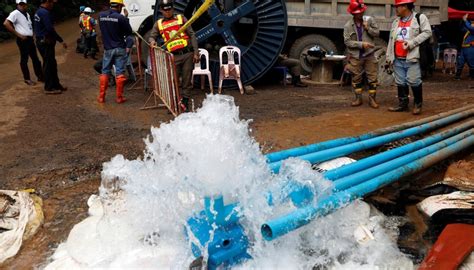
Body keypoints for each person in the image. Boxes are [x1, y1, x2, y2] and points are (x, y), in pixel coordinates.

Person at [148, 0, 200, 111]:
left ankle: (185, 103)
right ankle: (174, 103)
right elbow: (152, 36)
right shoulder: (158, 24)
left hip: (187, 54)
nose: (168, 12)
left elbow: (192, 34)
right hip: (173, 57)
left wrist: (196, 52)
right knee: (173, 80)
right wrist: (152, 41)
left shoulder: (181, 18)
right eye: (165, 10)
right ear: (161, 10)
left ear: (173, 9)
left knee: (186, 80)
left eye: (170, 9)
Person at [386, 0, 432, 115]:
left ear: (405, 6)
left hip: (412, 57)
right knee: (400, 81)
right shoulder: (396, 21)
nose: (395, 9)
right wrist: (389, 56)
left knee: (414, 81)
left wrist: (412, 43)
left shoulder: (419, 18)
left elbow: (427, 32)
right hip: (397, 58)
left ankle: (418, 104)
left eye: (397, 6)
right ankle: (403, 104)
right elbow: (391, 41)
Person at [343, 0, 380, 108]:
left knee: (373, 78)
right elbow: (347, 42)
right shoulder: (348, 26)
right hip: (356, 56)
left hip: (369, 54)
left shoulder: (370, 20)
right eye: (358, 12)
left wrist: (368, 28)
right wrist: (361, 44)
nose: (361, 14)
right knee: (356, 78)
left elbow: (377, 33)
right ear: (353, 13)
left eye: (362, 11)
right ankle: (358, 98)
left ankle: (372, 99)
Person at [98, 0, 133, 103]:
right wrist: (126, 18)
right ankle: (119, 97)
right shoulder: (121, 18)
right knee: (119, 73)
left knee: (105, 72)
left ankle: (101, 97)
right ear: (119, 6)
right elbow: (129, 33)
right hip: (120, 48)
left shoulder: (101, 16)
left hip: (108, 49)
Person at [3, 0, 43, 86]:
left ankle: (40, 76)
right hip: (22, 40)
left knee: (35, 58)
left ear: (26, 4)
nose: (23, 6)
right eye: (21, 4)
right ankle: (27, 78)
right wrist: (19, 35)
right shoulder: (15, 13)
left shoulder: (27, 14)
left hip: (29, 39)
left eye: (24, 4)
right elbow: (6, 23)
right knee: (24, 59)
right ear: (17, 5)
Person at [34, 0, 68, 94]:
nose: (53, 5)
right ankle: (48, 88)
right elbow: (50, 29)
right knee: (49, 64)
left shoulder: (38, 11)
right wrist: (61, 40)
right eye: (52, 3)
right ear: (47, 2)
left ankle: (56, 84)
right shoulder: (44, 13)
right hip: (45, 42)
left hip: (42, 41)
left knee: (52, 63)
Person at [455, 14, 474, 80]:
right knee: (460, 62)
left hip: (470, 48)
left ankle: (472, 76)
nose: (472, 24)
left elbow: (470, 27)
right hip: (463, 48)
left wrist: (465, 20)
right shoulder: (468, 31)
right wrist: (462, 21)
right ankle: (457, 76)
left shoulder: (472, 29)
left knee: (471, 63)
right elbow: (461, 28)